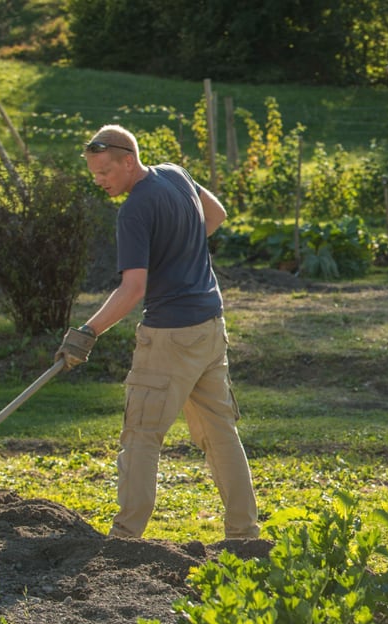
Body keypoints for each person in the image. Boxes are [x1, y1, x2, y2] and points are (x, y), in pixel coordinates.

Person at [55, 124, 259, 541]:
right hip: (210, 325)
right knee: (220, 432)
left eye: (105, 173)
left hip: (169, 335)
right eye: (94, 174)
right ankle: (244, 533)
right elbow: (216, 213)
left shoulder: (133, 211)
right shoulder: (175, 174)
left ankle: (125, 537)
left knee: (142, 434)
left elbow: (133, 289)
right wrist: (179, 249)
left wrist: (87, 332)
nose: (100, 182)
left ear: (128, 161)